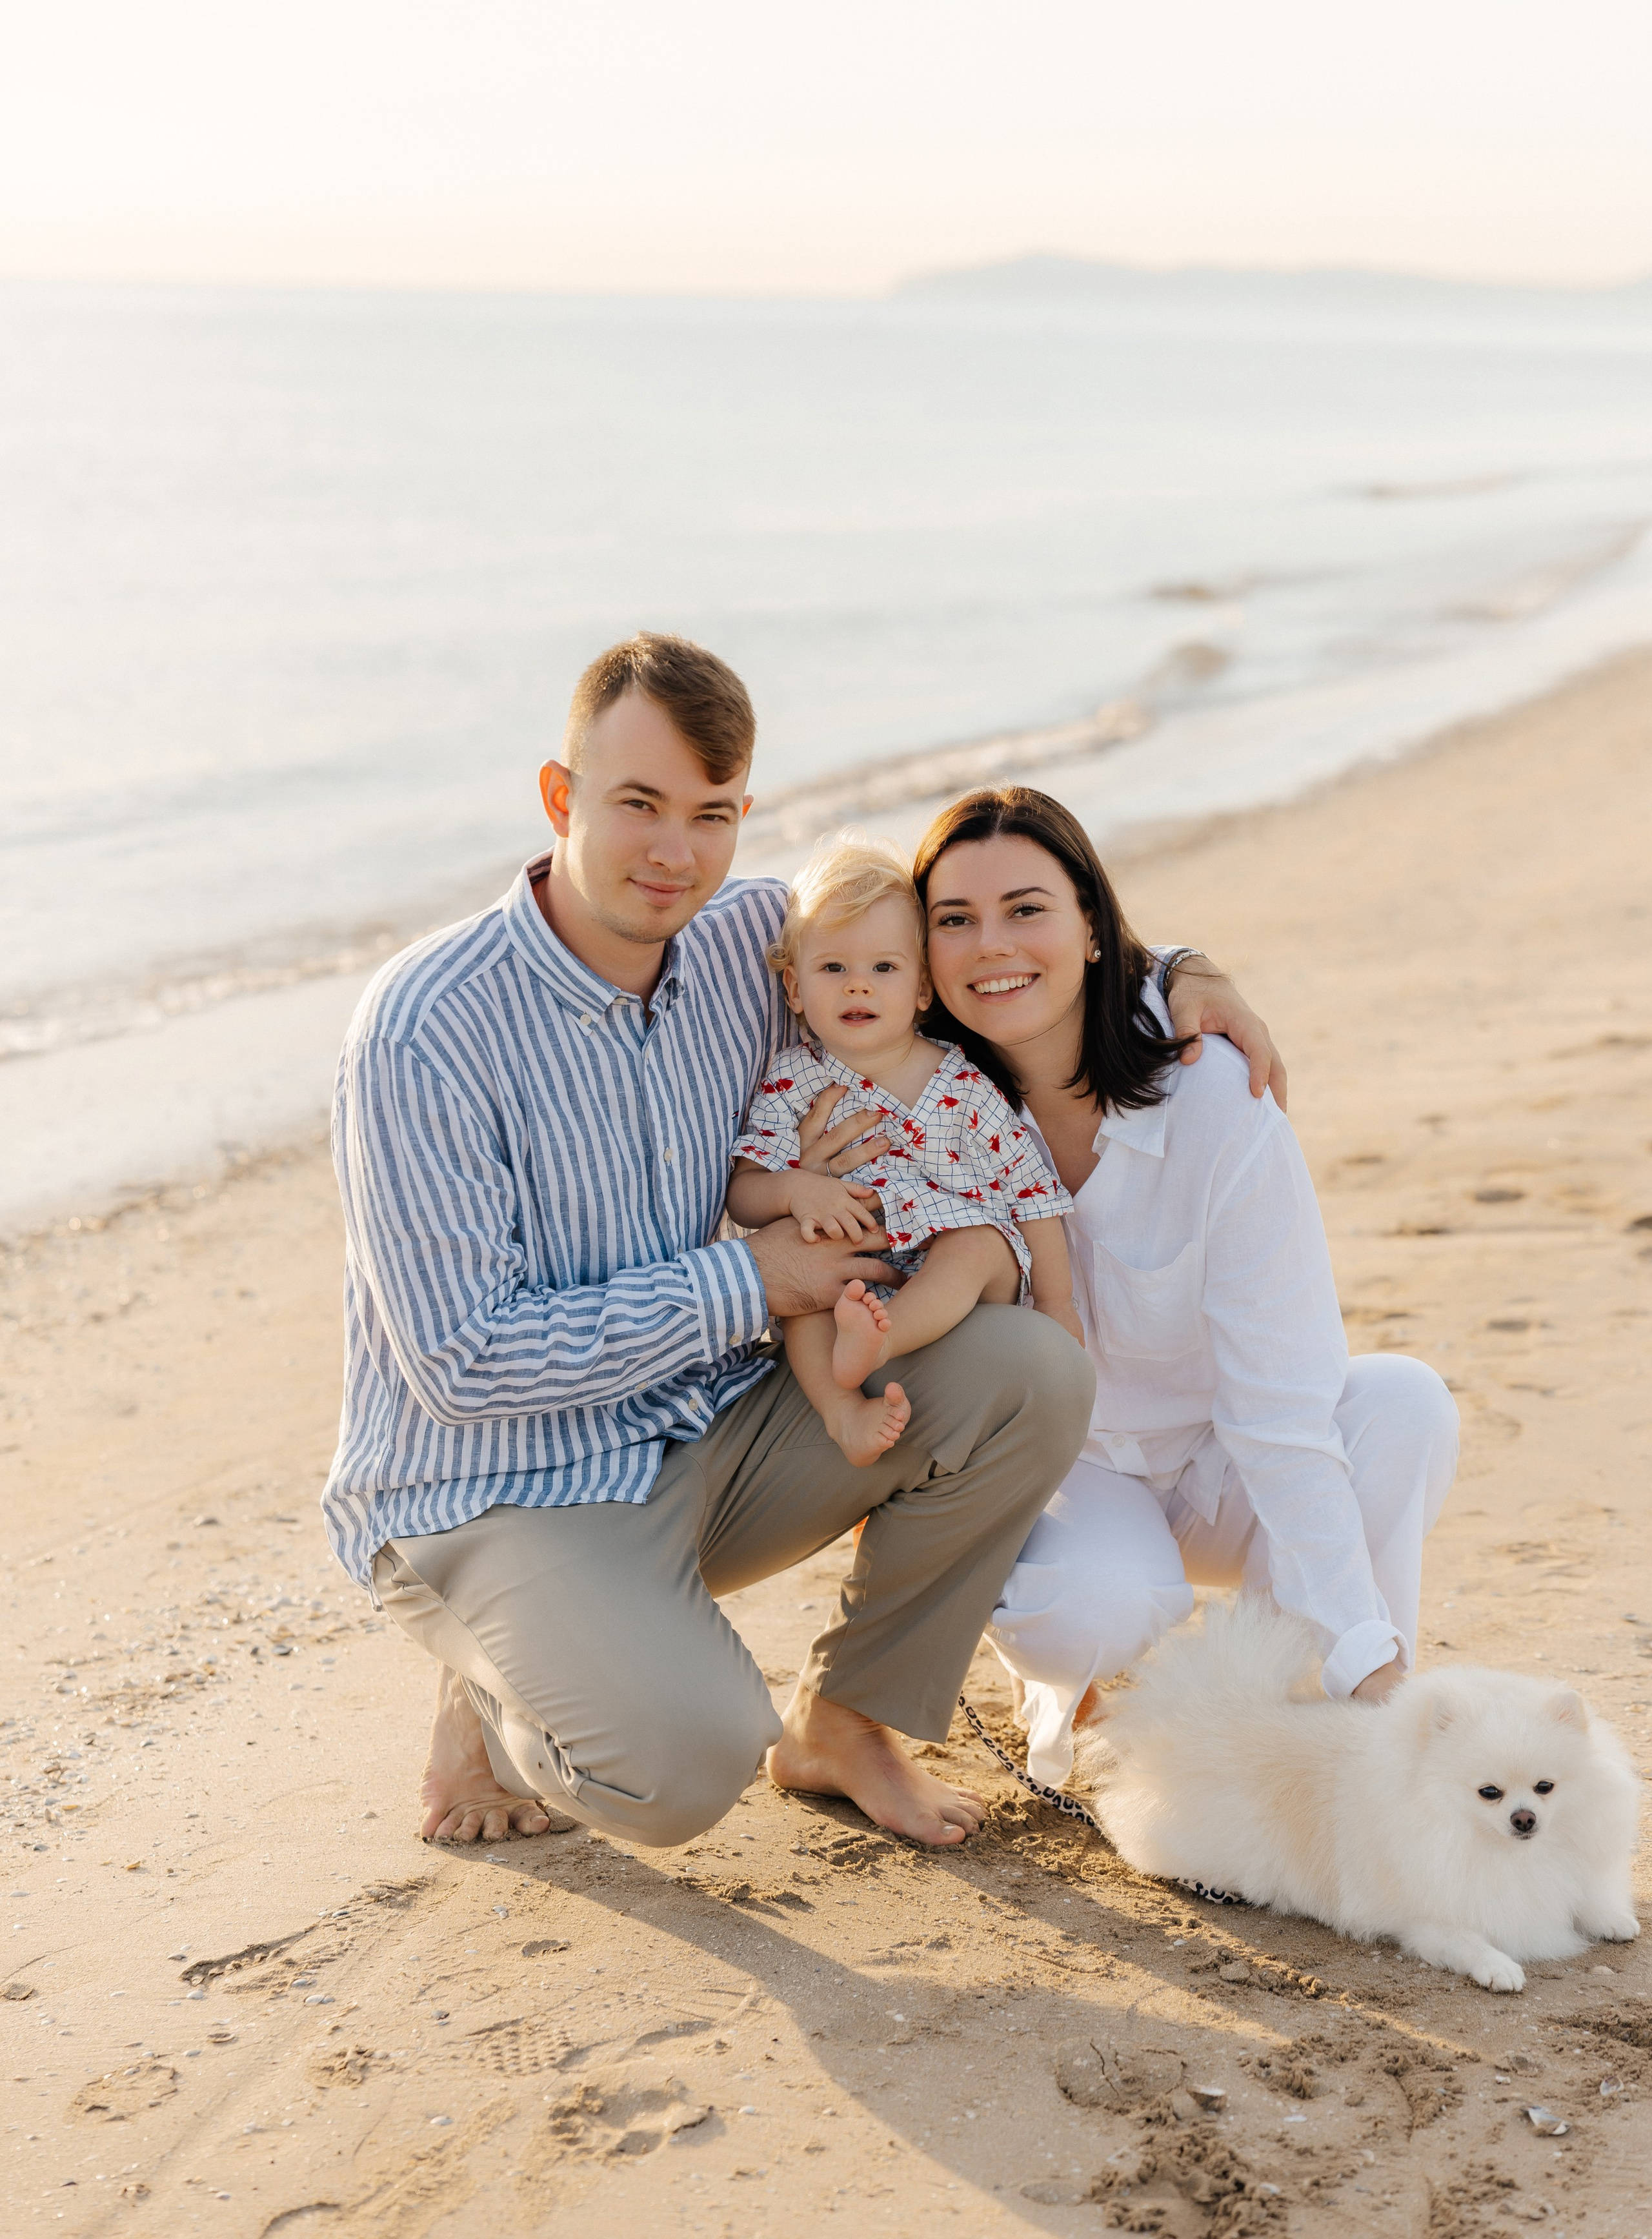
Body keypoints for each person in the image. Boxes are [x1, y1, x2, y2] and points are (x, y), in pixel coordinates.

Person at [323, 631, 1284, 1849]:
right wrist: (754, 1276)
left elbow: (950, 939)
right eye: (639, 805)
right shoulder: (424, 1029)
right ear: (561, 796)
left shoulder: (748, 942)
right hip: (496, 1486)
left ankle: (845, 1717)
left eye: (712, 814)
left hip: (705, 1435)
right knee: (681, 1769)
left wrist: (1173, 975)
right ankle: (494, 1674)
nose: (676, 852)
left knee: (1032, 1367)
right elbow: (461, 1361)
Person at [913, 784, 1459, 1790]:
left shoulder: (1212, 1090)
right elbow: (814, 951)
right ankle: (1081, 1690)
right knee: (1101, 1605)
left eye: (1026, 908)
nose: (991, 945)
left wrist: (1362, 1653)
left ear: (1091, 927)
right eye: (956, 919)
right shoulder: (920, 1108)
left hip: (1222, 1457)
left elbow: (1282, 1403)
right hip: (1065, 1475)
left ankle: (1334, 1707)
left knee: (1405, 1407)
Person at [727, 835, 1080, 1467]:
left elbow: (1030, 1193)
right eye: (833, 968)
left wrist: (1057, 1303)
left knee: (977, 1242)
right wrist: (793, 1191)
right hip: (856, 1264)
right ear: (794, 987)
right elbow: (746, 1194)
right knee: (799, 1269)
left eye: (883, 969)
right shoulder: (793, 1082)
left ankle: (880, 1346)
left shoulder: (963, 1083)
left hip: (964, 1273)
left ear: (922, 988)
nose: (857, 987)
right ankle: (842, 1413)